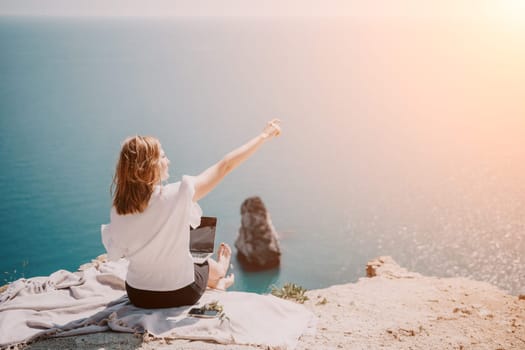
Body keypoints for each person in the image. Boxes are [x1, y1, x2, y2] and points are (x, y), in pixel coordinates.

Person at [101, 119, 282, 309]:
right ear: (149, 166)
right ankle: (219, 275)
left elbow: (119, 250)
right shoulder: (179, 193)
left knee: (180, 227)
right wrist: (264, 136)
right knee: (197, 237)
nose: (168, 161)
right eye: (163, 156)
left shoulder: (119, 208)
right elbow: (225, 165)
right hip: (182, 293)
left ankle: (217, 275)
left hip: (139, 295)